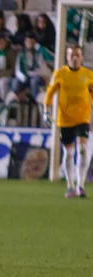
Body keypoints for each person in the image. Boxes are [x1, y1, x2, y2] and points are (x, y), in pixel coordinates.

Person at [44, 45, 93, 198]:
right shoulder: (60, 73)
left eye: (77, 55)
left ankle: (81, 185)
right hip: (64, 119)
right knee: (68, 153)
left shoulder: (88, 75)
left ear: (81, 57)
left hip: (82, 118)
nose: (75, 57)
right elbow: (49, 93)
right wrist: (46, 111)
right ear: (67, 57)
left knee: (83, 149)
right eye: (72, 55)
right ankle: (70, 186)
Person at [13, 32, 54, 98]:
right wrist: (24, 77)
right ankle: (16, 102)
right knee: (15, 82)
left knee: (34, 82)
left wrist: (29, 74)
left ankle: (37, 100)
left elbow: (40, 67)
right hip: (25, 77)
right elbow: (18, 70)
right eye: (27, 41)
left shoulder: (39, 52)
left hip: (38, 76)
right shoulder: (21, 54)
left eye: (31, 41)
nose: (29, 43)